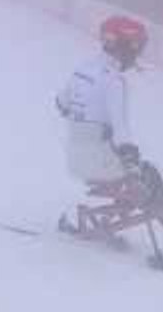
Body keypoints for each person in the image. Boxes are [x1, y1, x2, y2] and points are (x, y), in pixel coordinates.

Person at [55, 15, 151, 237]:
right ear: (124, 45)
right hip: (101, 163)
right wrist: (132, 162)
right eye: (136, 47)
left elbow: (61, 104)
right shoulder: (114, 81)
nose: (136, 54)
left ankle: (103, 222)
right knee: (147, 178)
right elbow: (121, 131)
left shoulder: (82, 70)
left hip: (76, 159)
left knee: (128, 176)